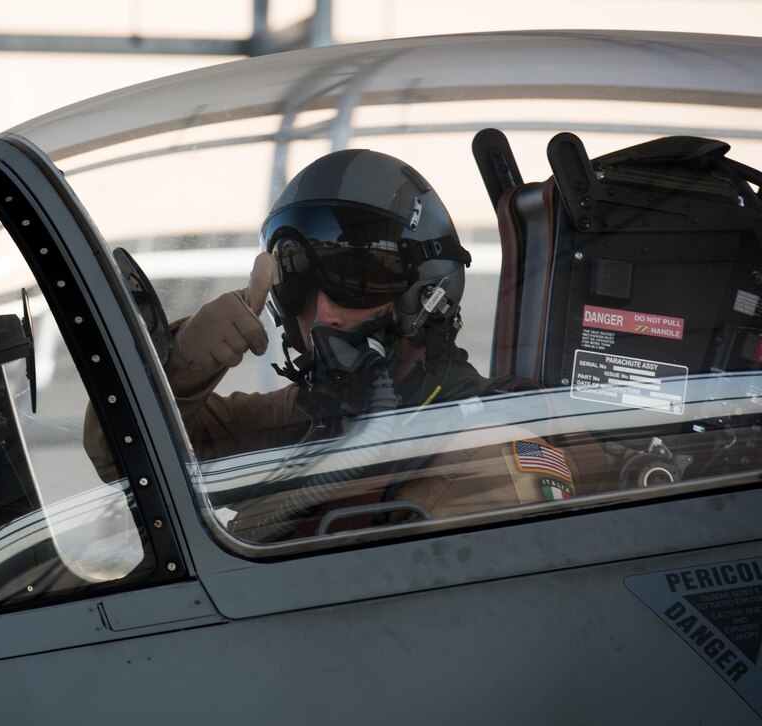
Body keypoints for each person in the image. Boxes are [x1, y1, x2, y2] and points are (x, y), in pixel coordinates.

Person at [89, 149, 577, 540]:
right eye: (297, 284)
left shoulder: (485, 455)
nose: (321, 316)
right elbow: (127, 457)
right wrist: (181, 365)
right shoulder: (315, 418)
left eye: (357, 279)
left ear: (427, 293)